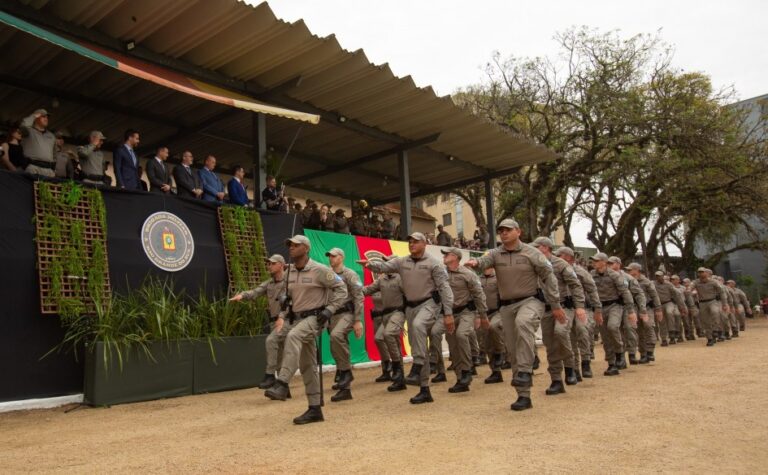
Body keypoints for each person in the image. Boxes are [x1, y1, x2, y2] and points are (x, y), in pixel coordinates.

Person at [464, 219, 561, 411]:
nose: (504, 233)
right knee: (513, 349)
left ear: (518, 231)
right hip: (507, 306)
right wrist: (475, 263)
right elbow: (484, 261)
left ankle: (526, 370)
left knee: (523, 323)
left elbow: (549, 277)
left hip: (530, 300)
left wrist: (556, 304)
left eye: (508, 230)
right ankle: (523, 395)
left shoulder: (532, 253)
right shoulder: (495, 253)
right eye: (501, 230)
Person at [359, 232, 454, 405]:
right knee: (417, 343)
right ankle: (424, 389)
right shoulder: (402, 262)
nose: (412, 244)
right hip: (411, 307)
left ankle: (416, 367)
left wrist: (448, 314)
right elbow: (384, 267)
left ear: (424, 244)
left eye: (416, 241)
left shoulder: (434, 263)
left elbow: (445, 289)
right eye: (410, 241)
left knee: (418, 326)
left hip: (429, 304)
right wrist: (369, 264)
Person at [264, 235, 347, 425]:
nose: (291, 247)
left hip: (315, 318)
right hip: (296, 319)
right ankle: (315, 408)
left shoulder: (320, 270)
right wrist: (283, 312)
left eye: (296, 245)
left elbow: (342, 289)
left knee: (293, 336)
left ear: (306, 248)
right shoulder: (289, 272)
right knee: (308, 365)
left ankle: (282, 383)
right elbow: (287, 299)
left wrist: (330, 309)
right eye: (290, 245)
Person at [532, 237, 586, 393]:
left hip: (564, 306)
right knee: (550, 344)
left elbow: (575, 285)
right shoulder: (534, 264)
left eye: (537, 247)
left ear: (545, 248)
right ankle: (556, 379)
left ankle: (570, 368)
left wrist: (580, 306)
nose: (533, 249)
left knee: (561, 332)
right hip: (546, 308)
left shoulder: (561, 264)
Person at [230, 255, 290, 391]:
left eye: (273, 263)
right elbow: (255, 292)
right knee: (280, 355)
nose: (269, 266)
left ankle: (270, 375)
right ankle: (283, 389)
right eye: (269, 263)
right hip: (274, 322)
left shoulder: (290, 282)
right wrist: (242, 295)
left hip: (286, 320)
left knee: (271, 341)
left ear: (281, 265)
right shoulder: (269, 283)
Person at [439, 247, 487, 393]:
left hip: (466, 312)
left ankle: (467, 369)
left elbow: (479, 294)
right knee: (453, 344)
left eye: (447, 254)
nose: (444, 256)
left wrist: (481, 316)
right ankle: (461, 380)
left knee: (461, 334)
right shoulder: (440, 273)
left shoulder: (468, 274)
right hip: (449, 314)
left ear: (456, 257)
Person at [555, 246, 602, 378]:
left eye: (559, 256)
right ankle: (574, 368)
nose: (556, 258)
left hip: (582, 308)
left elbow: (592, 290)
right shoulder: (556, 271)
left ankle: (586, 362)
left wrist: (597, 309)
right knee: (569, 337)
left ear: (568, 258)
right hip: (566, 307)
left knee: (582, 331)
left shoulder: (580, 272)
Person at [325, 248, 364, 402]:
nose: (331, 258)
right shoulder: (327, 274)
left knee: (336, 336)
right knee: (336, 346)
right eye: (329, 256)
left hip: (347, 313)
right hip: (333, 315)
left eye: (333, 256)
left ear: (341, 257)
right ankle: (345, 386)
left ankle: (346, 373)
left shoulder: (350, 274)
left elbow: (358, 296)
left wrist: (357, 320)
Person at [588, 252, 635, 377]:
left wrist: (631, 311)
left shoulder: (614, 275)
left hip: (615, 305)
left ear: (604, 262)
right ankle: (611, 363)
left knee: (613, 327)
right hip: (600, 307)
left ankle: (619, 353)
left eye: (596, 261)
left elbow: (625, 292)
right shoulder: (591, 275)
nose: (594, 263)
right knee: (605, 337)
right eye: (593, 261)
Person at [363, 257, 406, 390]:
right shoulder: (382, 279)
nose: (386, 264)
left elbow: (409, 296)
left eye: (388, 261)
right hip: (385, 315)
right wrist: (351, 288)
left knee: (388, 335)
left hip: (398, 312)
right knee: (391, 342)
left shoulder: (401, 278)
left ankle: (396, 369)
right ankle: (399, 378)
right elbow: (367, 290)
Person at [608, 256, 645, 367]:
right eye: (608, 263)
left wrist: (642, 309)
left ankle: (632, 353)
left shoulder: (628, 278)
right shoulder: (607, 277)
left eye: (612, 263)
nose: (610, 265)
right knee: (616, 330)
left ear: (618, 264)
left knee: (630, 328)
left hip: (628, 307)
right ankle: (620, 356)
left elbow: (638, 293)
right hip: (613, 307)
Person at [625, 263, 662, 364]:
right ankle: (643, 353)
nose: (628, 272)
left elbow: (654, 295)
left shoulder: (646, 282)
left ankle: (650, 351)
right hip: (634, 308)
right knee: (639, 331)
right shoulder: (627, 281)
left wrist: (658, 309)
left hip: (647, 307)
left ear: (637, 270)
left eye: (630, 270)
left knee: (648, 326)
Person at [692, 268, 728, 346]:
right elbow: (690, 287)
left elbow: (722, 292)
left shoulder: (714, 282)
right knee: (705, 321)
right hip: (702, 303)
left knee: (715, 312)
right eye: (699, 272)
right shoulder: (696, 282)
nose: (701, 274)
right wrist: (689, 290)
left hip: (712, 301)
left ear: (706, 273)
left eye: (702, 272)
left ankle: (715, 330)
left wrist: (724, 304)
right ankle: (710, 338)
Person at [654, 271, 687, 346]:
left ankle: (672, 333)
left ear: (663, 276)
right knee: (661, 321)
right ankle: (664, 339)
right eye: (657, 276)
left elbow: (677, 294)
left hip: (668, 302)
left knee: (669, 313)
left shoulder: (668, 284)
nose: (658, 277)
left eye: (660, 276)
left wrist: (682, 307)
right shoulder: (653, 284)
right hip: (659, 304)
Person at [20, 109, 56, 177]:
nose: (46, 119)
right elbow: (23, 126)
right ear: (36, 118)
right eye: (43, 116)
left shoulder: (51, 136)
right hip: (33, 167)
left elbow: (54, 154)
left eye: (47, 117)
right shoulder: (28, 131)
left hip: (48, 170)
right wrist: (33, 116)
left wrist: (53, 169)